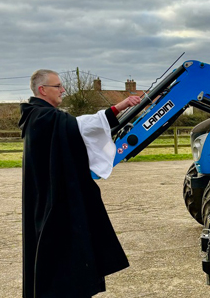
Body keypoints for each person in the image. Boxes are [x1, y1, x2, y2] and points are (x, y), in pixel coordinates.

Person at [19, 69, 141, 297]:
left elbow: (78, 127)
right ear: (42, 90)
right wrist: (118, 107)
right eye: (58, 86)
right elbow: (82, 126)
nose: (63, 90)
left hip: (48, 202)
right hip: (55, 206)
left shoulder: (38, 117)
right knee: (63, 259)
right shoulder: (44, 118)